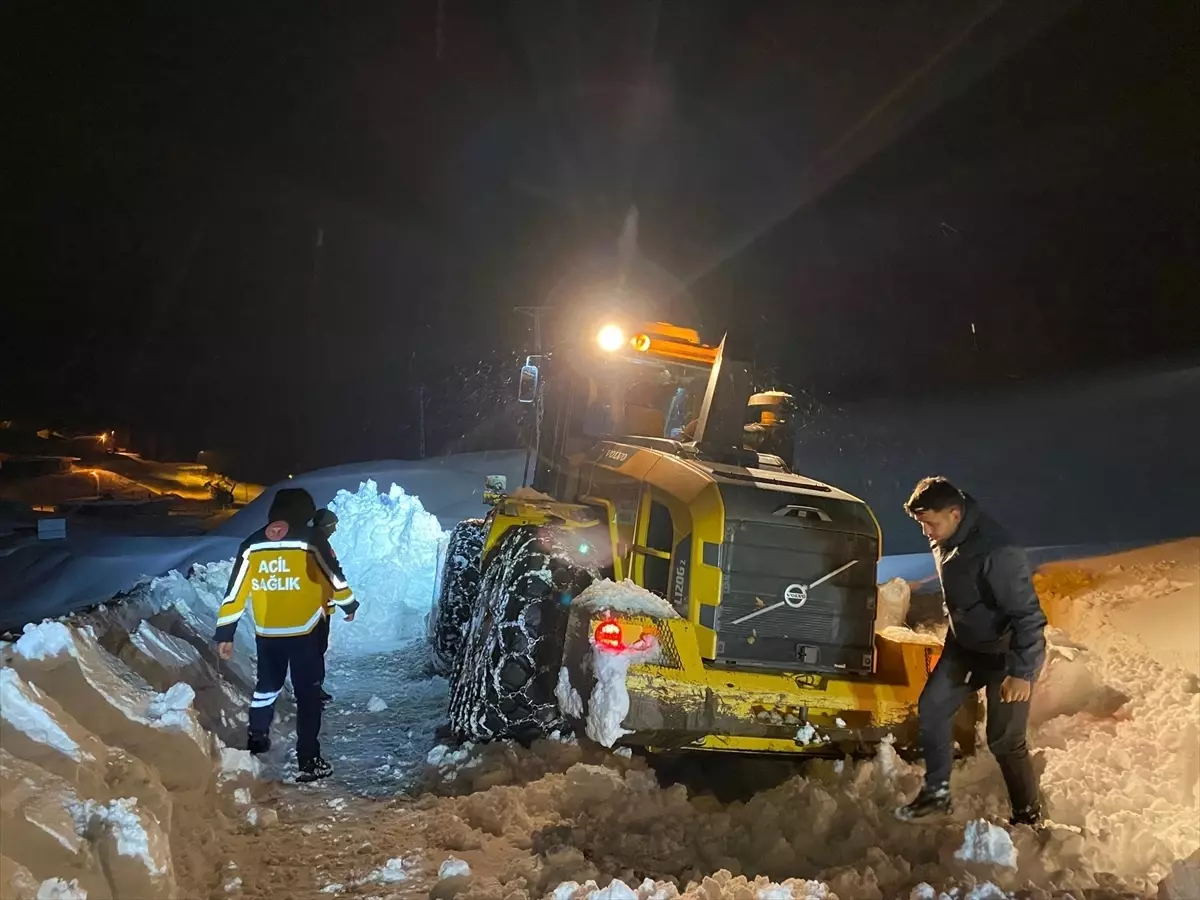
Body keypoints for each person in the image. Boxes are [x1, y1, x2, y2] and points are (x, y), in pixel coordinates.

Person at [896, 476, 1047, 826]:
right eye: (921, 524)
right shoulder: (944, 537)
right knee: (933, 708)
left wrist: (1022, 672)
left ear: (955, 513)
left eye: (931, 524)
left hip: (1006, 655)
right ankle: (937, 794)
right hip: (964, 648)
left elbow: (1028, 617)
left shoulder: (999, 552)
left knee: (1004, 741)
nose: (926, 532)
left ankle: (1028, 816)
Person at [213, 487, 358, 783]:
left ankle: (257, 738)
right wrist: (349, 604)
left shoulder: (252, 544)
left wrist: (226, 632)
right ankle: (309, 759)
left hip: (268, 632)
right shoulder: (311, 539)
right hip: (306, 630)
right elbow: (333, 576)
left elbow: (235, 592)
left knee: (266, 687)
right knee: (308, 694)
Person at [311, 508, 340, 706]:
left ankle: (314, 687)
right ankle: (312, 689)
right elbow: (332, 573)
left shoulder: (316, 541)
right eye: (333, 526)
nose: (335, 530)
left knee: (317, 648)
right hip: (316, 607)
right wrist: (348, 603)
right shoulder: (318, 544)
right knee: (315, 649)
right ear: (326, 526)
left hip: (320, 605)